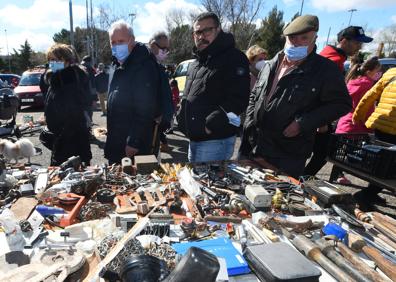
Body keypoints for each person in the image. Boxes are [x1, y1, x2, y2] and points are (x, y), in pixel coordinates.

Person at [240, 15, 351, 178]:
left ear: (315, 39)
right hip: (255, 146)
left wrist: (302, 123)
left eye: (304, 38)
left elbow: (341, 104)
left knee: (278, 199)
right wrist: (249, 124)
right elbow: (255, 96)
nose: (296, 42)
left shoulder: (325, 70)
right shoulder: (270, 64)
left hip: (288, 154)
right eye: (292, 37)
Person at [177, 12, 250, 163]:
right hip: (194, 139)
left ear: (218, 30)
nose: (201, 36)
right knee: (194, 184)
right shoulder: (196, 62)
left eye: (207, 30)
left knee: (208, 185)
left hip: (215, 141)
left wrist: (209, 125)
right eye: (197, 32)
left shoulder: (234, 58)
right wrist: (181, 116)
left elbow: (238, 99)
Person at [304, 26, 373, 177]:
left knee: (318, 153)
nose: (359, 46)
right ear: (343, 41)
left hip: (317, 117)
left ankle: (299, 181)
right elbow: (316, 92)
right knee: (321, 153)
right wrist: (321, 122)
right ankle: (299, 182)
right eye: (356, 42)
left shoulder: (335, 58)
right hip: (316, 118)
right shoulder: (332, 61)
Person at [105, 20, 160, 164]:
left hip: (133, 146)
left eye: (121, 41)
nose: (117, 46)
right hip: (116, 141)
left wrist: (134, 141)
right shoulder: (115, 65)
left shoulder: (143, 66)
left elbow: (145, 109)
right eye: (113, 42)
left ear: (132, 40)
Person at [352, 67, 396, 206]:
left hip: (380, 125)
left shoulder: (391, 73)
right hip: (393, 129)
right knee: (388, 167)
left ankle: (370, 193)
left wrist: (358, 115)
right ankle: (368, 194)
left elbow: (370, 95)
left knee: (381, 163)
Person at [43, 43, 92, 166]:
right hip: (60, 141)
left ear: (67, 60)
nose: (52, 63)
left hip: (72, 144)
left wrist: (58, 137)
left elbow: (74, 115)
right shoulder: (55, 79)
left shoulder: (71, 80)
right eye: (50, 60)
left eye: (56, 59)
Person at [336, 57, 382, 134]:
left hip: (344, 125)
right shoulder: (367, 85)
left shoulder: (352, 82)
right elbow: (366, 110)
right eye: (377, 71)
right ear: (368, 72)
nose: (380, 73)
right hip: (357, 129)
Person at [148, 31, 174, 153]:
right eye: (164, 48)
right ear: (153, 46)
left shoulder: (157, 66)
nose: (167, 51)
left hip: (158, 126)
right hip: (150, 126)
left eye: (168, 48)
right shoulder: (148, 66)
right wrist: (156, 113)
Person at [80, 55, 97, 121]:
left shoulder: (78, 68)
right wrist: (94, 98)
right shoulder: (90, 70)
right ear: (90, 62)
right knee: (88, 117)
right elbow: (93, 85)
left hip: (78, 96)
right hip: (88, 96)